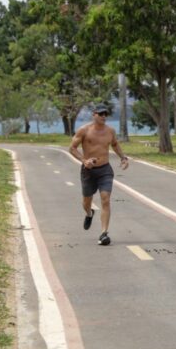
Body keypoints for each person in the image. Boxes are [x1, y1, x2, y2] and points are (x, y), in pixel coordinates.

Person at [69, 104, 129, 246]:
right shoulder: (84, 130)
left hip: (105, 170)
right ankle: (89, 214)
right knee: (86, 202)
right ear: (94, 114)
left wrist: (123, 158)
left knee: (105, 198)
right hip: (88, 171)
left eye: (105, 114)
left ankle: (103, 234)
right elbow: (72, 148)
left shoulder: (110, 131)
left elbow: (114, 144)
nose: (103, 116)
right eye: (101, 114)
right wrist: (84, 161)